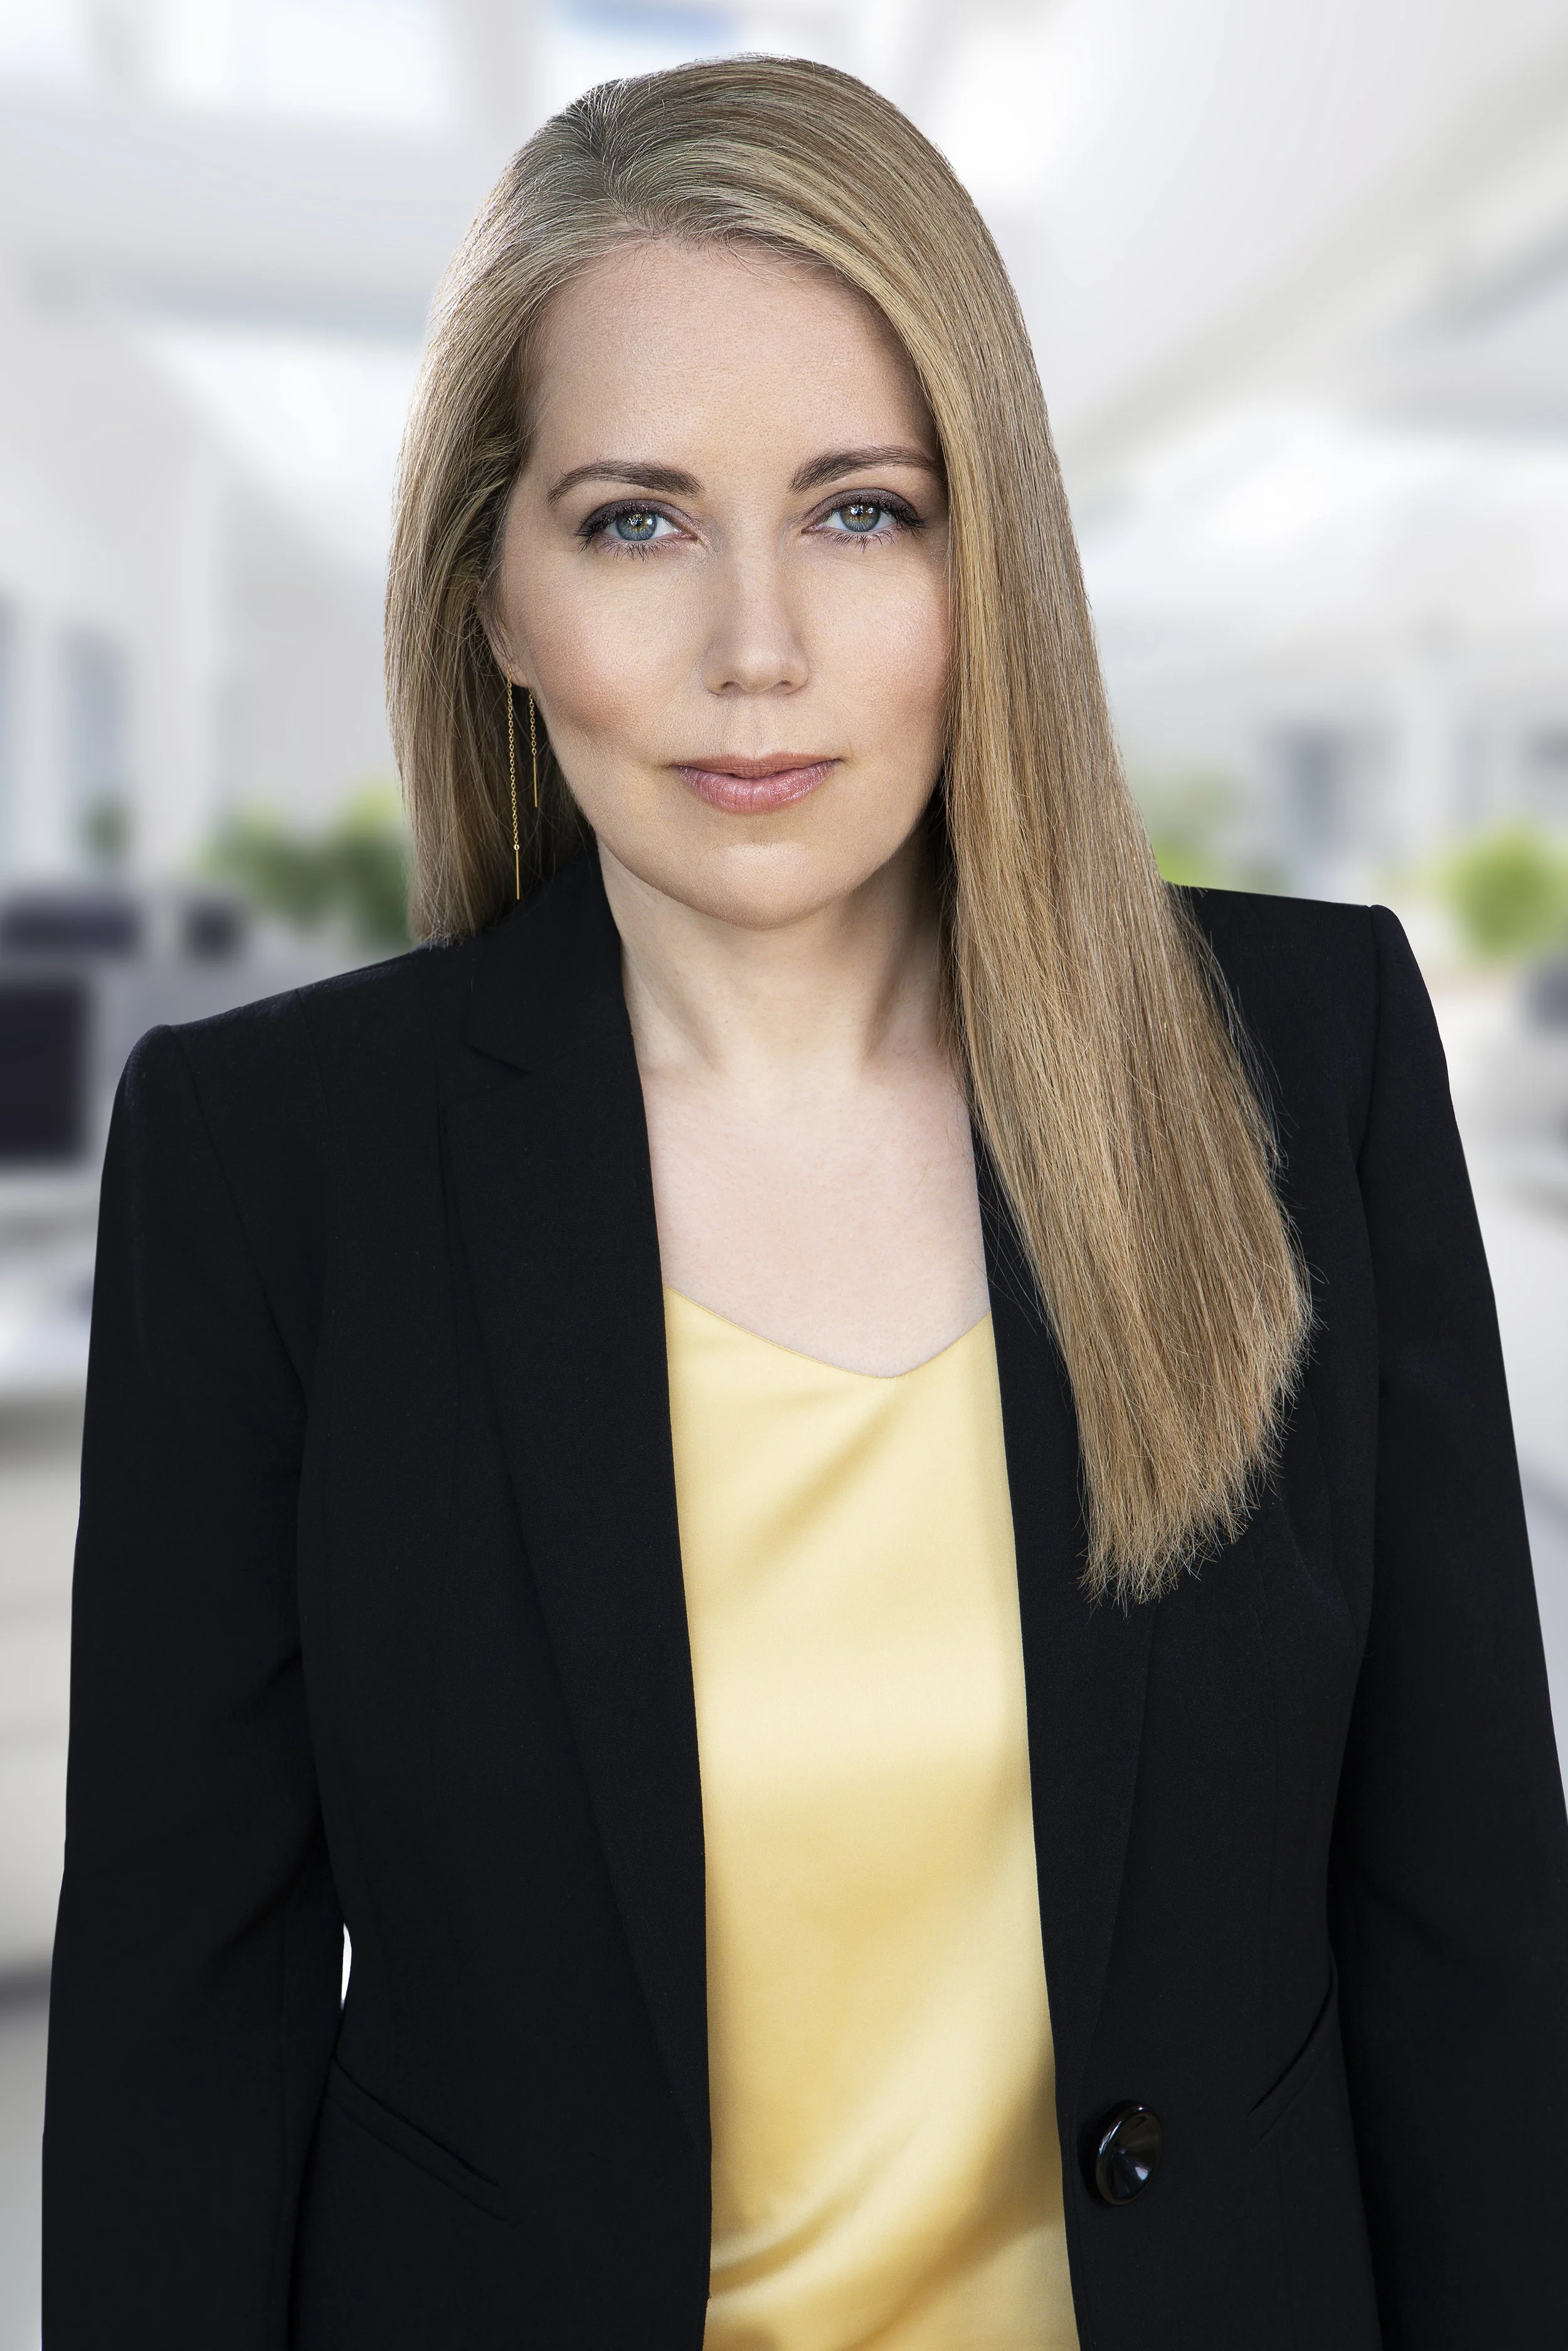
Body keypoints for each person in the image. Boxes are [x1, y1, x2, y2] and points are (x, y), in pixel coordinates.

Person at [41, 54, 1568, 2351]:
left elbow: (1466, 1946)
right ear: (493, 595)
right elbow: (184, 2032)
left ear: (991, 566)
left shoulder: (1302, 1052)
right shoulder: (273, 1163)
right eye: (637, 521)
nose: (755, 648)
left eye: (861, 511)